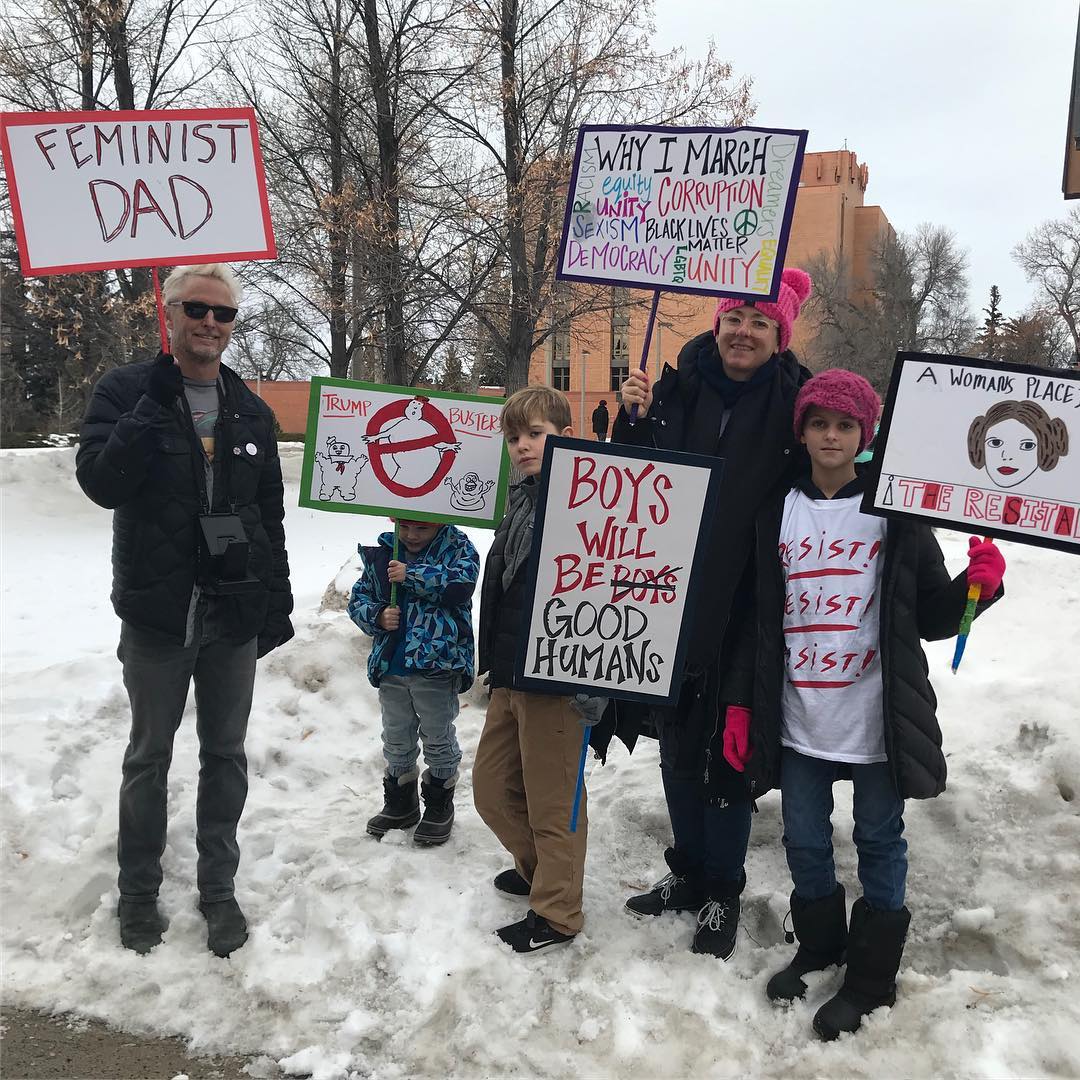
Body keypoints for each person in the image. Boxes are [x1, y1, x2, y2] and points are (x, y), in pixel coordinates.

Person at [747, 369, 1005, 1040]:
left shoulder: (895, 512)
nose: (830, 435)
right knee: (803, 839)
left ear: (865, 435)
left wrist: (978, 588)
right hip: (800, 714)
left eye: (845, 425)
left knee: (878, 841)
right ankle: (822, 943)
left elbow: (929, 616)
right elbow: (757, 615)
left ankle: (871, 975)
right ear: (801, 431)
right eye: (819, 423)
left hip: (875, 718)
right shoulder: (778, 507)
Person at [76, 263, 293, 958]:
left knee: (225, 756)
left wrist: (276, 597)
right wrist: (150, 407)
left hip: (232, 615)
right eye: (196, 308)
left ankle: (217, 890)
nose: (209, 322)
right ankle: (137, 894)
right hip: (159, 616)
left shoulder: (250, 409)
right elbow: (101, 483)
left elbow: (267, 515)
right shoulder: (126, 391)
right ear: (167, 312)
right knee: (148, 758)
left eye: (223, 313)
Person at [613, 268, 813, 960]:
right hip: (668, 598)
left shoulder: (797, 405)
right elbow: (631, 482)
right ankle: (690, 872)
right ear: (717, 321)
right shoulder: (676, 386)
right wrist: (631, 420)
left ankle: (723, 889)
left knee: (729, 751)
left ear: (779, 335)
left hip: (749, 607)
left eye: (762, 323)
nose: (745, 332)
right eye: (737, 317)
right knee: (674, 743)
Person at [472, 385, 608, 955]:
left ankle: (557, 912)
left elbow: (611, 591)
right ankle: (540, 872)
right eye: (515, 437)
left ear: (563, 438)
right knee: (492, 789)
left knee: (554, 804)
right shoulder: (520, 499)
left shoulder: (588, 502)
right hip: (510, 671)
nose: (524, 446)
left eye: (536, 434)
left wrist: (594, 679)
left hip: (559, 676)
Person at [347, 518, 478, 845]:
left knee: (437, 734)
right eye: (405, 527)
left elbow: (460, 585)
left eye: (422, 529)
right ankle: (400, 802)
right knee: (396, 736)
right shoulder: (383, 554)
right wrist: (377, 615)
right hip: (393, 664)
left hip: (437, 664)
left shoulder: (457, 548)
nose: (411, 535)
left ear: (440, 525)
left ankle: (439, 803)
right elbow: (359, 598)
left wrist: (412, 574)